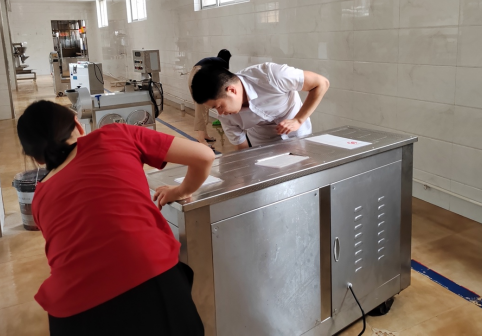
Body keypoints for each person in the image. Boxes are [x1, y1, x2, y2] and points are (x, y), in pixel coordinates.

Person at [17, 100, 215, 336]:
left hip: (73, 314)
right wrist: (180, 191)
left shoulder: (39, 198)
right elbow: (204, 155)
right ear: (78, 125)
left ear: (37, 158)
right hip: (150, 281)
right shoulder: (115, 134)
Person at [191, 62, 329, 149]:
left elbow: (321, 83)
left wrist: (298, 120)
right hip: (263, 144)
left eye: (219, 106)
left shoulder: (271, 75)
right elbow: (242, 150)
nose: (220, 113)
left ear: (232, 90)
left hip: (298, 135)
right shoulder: (226, 117)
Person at [187, 49, 232, 148]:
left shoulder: (214, 61)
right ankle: (201, 139)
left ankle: (204, 135)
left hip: (194, 75)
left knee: (204, 106)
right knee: (201, 107)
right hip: (199, 76)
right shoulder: (222, 63)